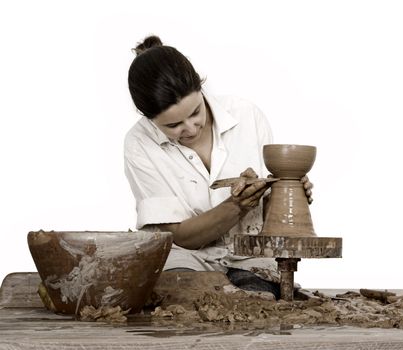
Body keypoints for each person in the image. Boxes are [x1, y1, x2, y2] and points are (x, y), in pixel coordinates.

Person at [125, 35, 313, 299]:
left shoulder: (246, 116)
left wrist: (290, 191)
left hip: (249, 258)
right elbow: (179, 237)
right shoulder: (139, 143)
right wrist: (235, 206)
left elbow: (273, 220)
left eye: (195, 113)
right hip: (184, 257)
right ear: (149, 119)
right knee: (187, 296)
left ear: (201, 90)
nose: (190, 128)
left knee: (258, 302)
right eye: (173, 126)